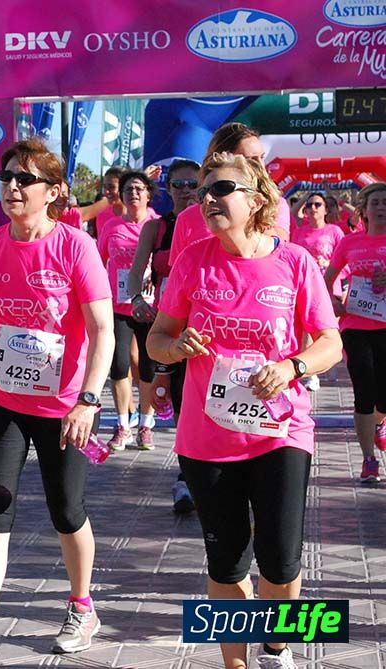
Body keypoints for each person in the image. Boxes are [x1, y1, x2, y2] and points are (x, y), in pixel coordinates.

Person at [147, 152, 341, 669]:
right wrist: (176, 347)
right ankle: (235, 664)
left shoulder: (295, 262)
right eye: (203, 191)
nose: (207, 199)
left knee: (279, 562)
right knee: (228, 562)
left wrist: (294, 366)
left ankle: (277, 647)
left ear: (255, 201)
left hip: (280, 431)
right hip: (208, 437)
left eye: (221, 189)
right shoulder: (192, 260)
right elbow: (156, 341)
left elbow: (330, 342)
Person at [0, 138, 113, 668]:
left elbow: (102, 329)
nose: (12, 186)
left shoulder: (75, 247)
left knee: (67, 511)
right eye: (6, 176)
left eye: (25, 178)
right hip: (1, 398)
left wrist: (88, 401)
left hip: (63, 406)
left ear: (54, 192)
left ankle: (82, 605)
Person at [126, 159, 200, 512]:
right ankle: (186, 478)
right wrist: (139, 299)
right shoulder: (156, 229)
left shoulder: (215, 223)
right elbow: (135, 273)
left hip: (208, 330)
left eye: (192, 185)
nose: (186, 191)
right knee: (181, 404)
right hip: (168, 329)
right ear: (167, 189)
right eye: (179, 185)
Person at [324, 182, 386, 484]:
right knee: (363, 387)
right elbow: (329, 277)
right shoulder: (349, 243)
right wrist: (334, 301)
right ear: (364, 209)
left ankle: (380, 423)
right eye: (375, 202)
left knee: (383, 396)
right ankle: (369, 459)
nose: (381, 207)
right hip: (357, 325)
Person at [169, 123, 290, 266]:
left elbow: (280, 253)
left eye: (262, 157)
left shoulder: (274, 204)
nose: (261, 166)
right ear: (226, 160)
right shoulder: (187, 218)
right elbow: (178, 275)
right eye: (251, 159)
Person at [98, 170, 158, 450]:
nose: (133, 193)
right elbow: (98, 264)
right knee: (119, 366)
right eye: (127, 189)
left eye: (138, 188)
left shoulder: (158, 225)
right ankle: (123, 425)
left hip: (151, 306)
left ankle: (146, 425)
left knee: (147, 367)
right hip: (118, 306)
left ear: (148, 194)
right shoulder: (111, 226)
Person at [290, 192, 346, 392]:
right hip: (305, 286)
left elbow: (345, 260)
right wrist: (304, 195)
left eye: (317, 204)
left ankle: (328, 363)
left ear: (326, 209)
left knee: (328, 329)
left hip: (329, 286)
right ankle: (311, 374)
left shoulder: (335, 231)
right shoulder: (299, 232)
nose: (312, 208)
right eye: (309, 205)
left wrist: (328, 264)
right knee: (306, 330)